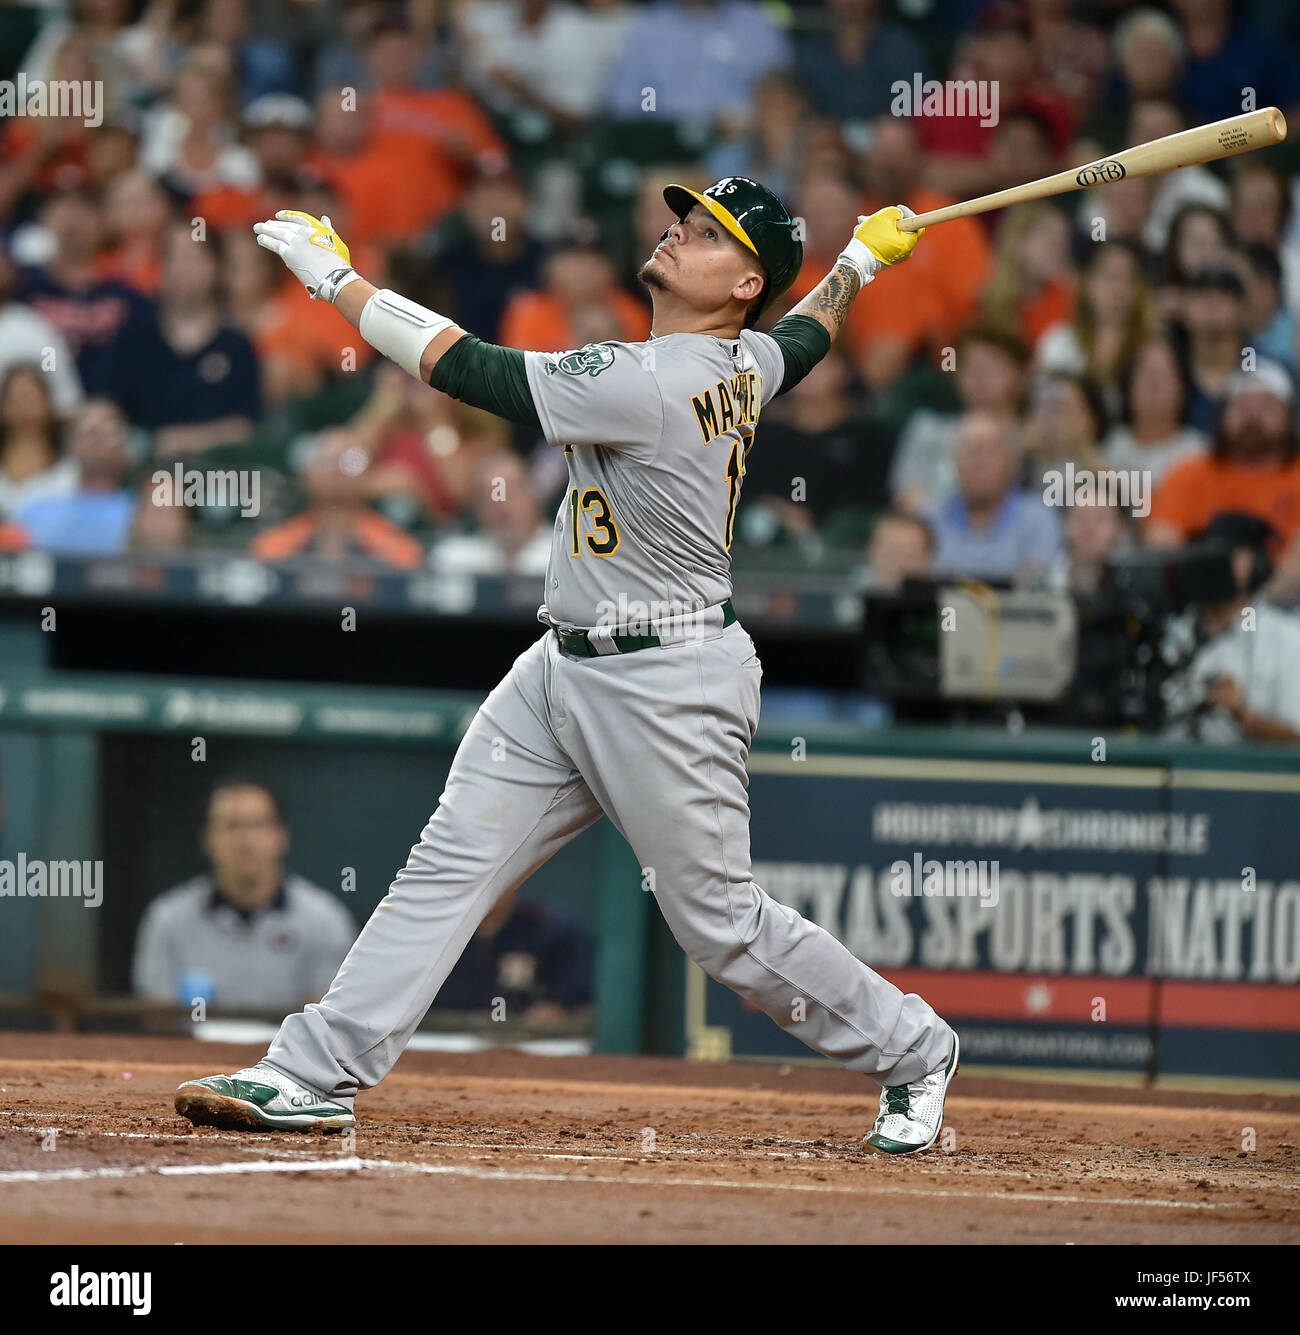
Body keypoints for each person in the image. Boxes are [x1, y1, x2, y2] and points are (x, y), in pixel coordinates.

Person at [175, 178, 959, 1154]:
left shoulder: (650, 379)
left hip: (665, 682)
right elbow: (805, 337)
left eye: (707, 233)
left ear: (741, 280)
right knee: (450, 865)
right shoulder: (744, 357)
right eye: (684, 218)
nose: (678, 232)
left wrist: (336, 279)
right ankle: (310, 1071)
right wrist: (856, 265)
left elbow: (466, 369)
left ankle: (913, 1047)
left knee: (722, 926)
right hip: (563, 663)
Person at [132, 778, 357, 1012]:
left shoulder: (326, 920)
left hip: (289, 1048)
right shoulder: (168, 918)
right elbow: (157, 1017)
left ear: (281, 836)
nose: (246, 840)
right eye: (232, 825)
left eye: (258, 825)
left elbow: (327, 1019)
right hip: (194, 1047)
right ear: (208, 840)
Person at [1161, 513, 1300, 744]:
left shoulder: (1286, 639)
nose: (1208, 564)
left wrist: (1243, 715)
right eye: (1204, 552)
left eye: (1222, 555)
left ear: (1251, 562)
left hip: (1245, 776)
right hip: (1167, 770)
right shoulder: (1172, 629)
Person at [1146, 359, 1300, 554]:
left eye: (1267, 407)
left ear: (1289, 418)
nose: (1253, 417)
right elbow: (1160, 544)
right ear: (1222, 416)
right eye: (1242, 407)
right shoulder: (1188, 473)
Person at [928, 410, 1063, 583]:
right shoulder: (930, 519)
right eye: (970, 451)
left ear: (1012, 462)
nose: (979, 463)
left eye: (990, 451)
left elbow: (1038, 587)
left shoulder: (1039, 520)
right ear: (954, 461)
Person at [16, 397, 136, 556]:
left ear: (127, 446)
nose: (99, 441)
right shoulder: (36, 510)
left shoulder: (143, 512)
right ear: (71, 445)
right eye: (90, 432)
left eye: (110, 432)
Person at [1102, 335, 1207, 487]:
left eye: (1164, 375)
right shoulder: (1111, 447)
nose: (1154, 385)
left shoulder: (1198, 452)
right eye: (1145, 375)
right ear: (1128, 387)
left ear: (1183, 388)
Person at [430, 449, 552, 577]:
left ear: (533, 497)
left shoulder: (563, 554)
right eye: (490, 497)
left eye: (511, 493)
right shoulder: (453, 559)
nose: (501, 506)